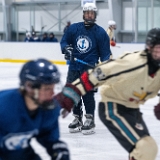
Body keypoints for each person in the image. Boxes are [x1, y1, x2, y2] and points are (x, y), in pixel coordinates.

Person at [56, 28, 160, 160]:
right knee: (146, 147)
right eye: (158, 48)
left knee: (142, 150)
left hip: (133, 109)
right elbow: (101, 72)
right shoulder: (134, 64)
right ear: (149, 48)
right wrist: (71, 94)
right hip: (112, 106)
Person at [0, 58, 70, 160]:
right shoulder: (4, 107)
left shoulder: (49, 109)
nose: (52, 93)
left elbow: (47, 134)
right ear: (29, 86)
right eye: (47, 89)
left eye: (53, 87)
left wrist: (56, 148)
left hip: (21, 154)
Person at [60, 2, 111, 135]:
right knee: (73, 93)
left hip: (89, 68)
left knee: (87, 94)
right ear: (83, 14)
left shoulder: (100, 32)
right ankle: (77, 118)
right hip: (74, 67)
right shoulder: (74, 28)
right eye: (87, 13)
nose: (89, 15)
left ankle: (89, 118)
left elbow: (105, 53)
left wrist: (105, 66)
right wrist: (66, 49)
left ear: (95, 15)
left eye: (92, 13)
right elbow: (64, 41)